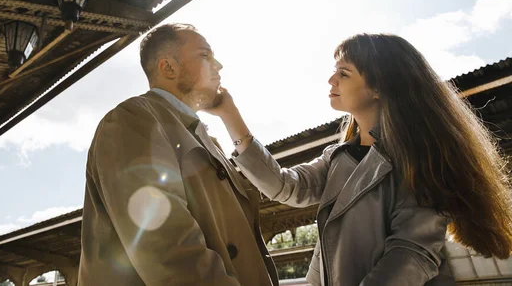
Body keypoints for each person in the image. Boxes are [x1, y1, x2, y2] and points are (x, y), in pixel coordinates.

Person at [207, 33, 512, 286]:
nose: (331, 79)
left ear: (379, 87)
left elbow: (410, 255)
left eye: (344, 73)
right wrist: (228, 112)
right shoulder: (339, 156)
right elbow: (287, 187)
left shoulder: (419, 162)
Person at [77, 23, 278, 286]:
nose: (218, 65)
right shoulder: (132, 119)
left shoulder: (205, 138)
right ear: (168, 68)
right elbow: (168, 250)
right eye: (205, 55)